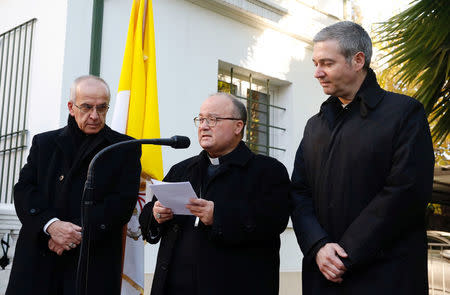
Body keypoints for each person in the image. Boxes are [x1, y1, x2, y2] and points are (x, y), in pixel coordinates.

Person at [290, 21, 434, 295]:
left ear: (358, 61)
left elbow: (406, 192)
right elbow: (299, 192)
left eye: (327, 63)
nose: (317, 73)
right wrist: (318, 245)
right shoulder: (315, 126)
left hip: (385, 275)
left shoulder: (405, 113)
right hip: (323, 275)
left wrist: (347, 252)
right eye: (315, 63)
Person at [139, 92, 290, 295]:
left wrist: (217, 216)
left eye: (213, 119)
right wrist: (156, 214)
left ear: (239, 126)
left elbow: (273, 221)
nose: (204, 126)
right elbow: (148, 216)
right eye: (201, 119)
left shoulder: (267, 171)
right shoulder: (182, 169)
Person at [6, 75, 141, 295]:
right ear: (71, 106)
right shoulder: (45, 143)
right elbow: (24, 190)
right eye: (87, 107)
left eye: (102, 108)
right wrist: (51, 226)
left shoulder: (125, 148)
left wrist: (71, 235)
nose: (95, 116)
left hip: (91, 262)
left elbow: (120, 204)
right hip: (38, 259)